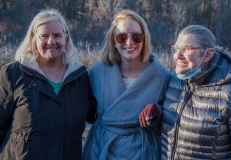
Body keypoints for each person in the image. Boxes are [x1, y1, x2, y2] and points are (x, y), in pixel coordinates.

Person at [0, 9, 97, 160]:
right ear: (34, 39)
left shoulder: (81, 78)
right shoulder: (12, 75)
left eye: (57, 35)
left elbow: (101, 117)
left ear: (66, 38)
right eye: (44, 36)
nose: (51, 41)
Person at [140, 25, 231, 159]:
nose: (177, 56)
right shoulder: (176, 79)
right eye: (176, 49)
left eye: (186, 49)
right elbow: (176, 135)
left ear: (208, 54)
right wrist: (157, 117)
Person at [82, 9, 170, 160]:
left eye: (136, 37)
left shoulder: (161, 76)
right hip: (101, 148)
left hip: (141, 151)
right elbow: (87, 112)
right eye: (122, 37)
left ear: (144, 40)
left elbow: (170, 121)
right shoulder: (97, 72)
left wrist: (157, 114)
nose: (129, 42)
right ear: (114, 41)